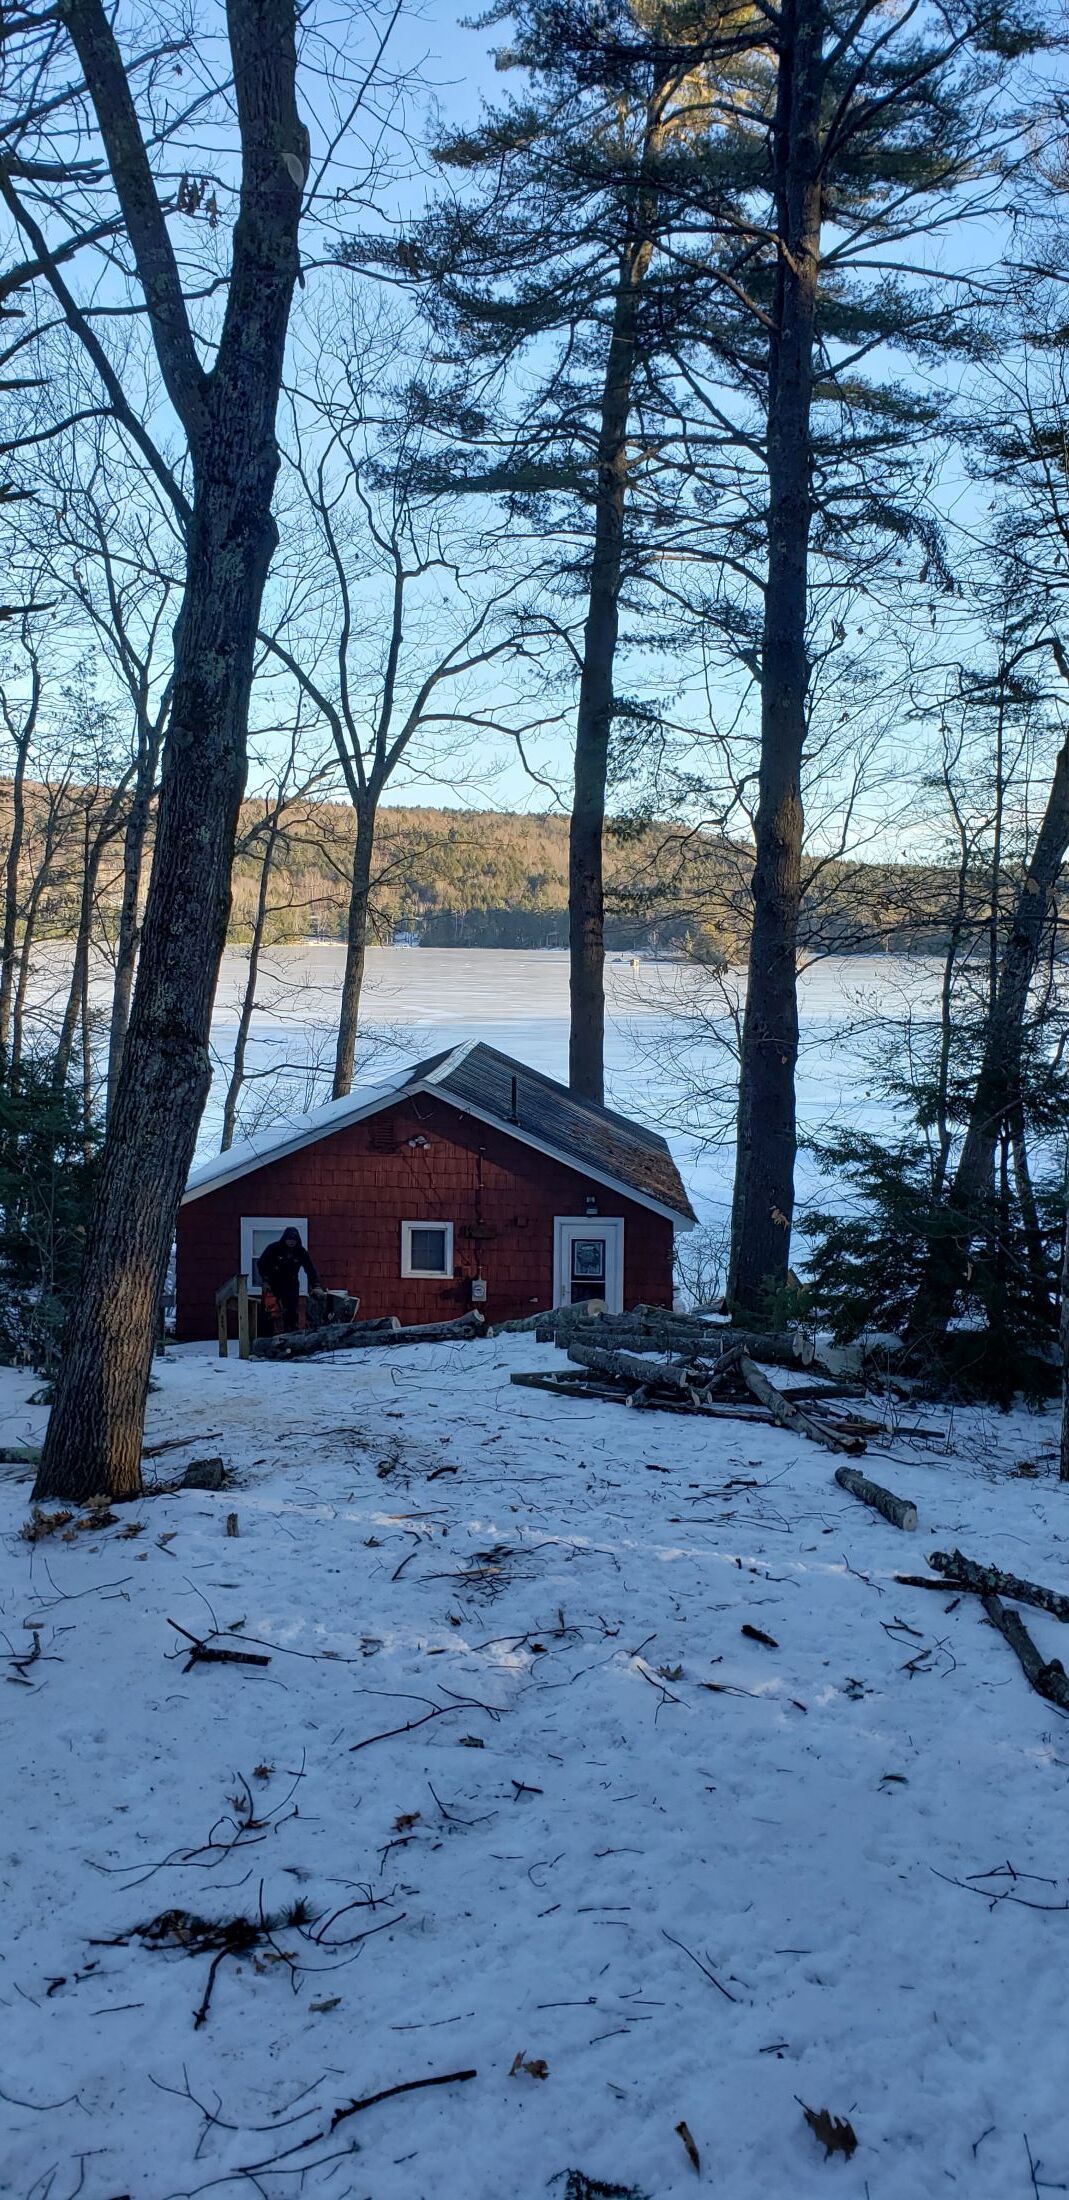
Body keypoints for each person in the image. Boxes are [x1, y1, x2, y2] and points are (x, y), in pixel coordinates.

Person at [256, 1227, 319, 1336]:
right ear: (284, 1239)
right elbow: (261, 1264)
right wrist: (265, 1281)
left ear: (297, 1240)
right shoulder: (274, 1248)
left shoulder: (301, 1252)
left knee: (291, 1312)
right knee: (269, 1312)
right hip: (273, 1284)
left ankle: (290, 1338)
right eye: (289, 1239)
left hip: (291, 1284)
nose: (291, 1241)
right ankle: (265, 1338)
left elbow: (310, 1269)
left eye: (294, 1239)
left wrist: (316, 1285)